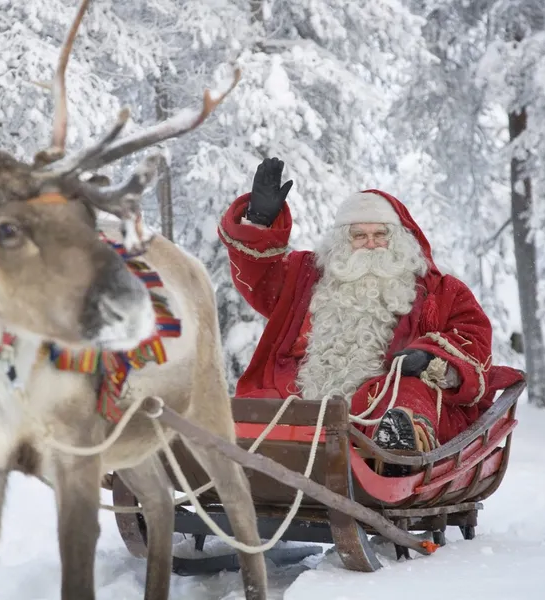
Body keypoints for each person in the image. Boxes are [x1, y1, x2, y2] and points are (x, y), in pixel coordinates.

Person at [218, 157, 523, 474]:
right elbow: (260, 282)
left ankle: (396, 455)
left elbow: (473, 341)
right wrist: (258, 223)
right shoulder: (306, 276)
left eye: (381, 235)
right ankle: (238, 461)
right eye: (358, 236)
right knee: (256, 404)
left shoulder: (441, 291)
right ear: (342, 243)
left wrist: (430, 358)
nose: (371, 245)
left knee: (408, 393)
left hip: (382, 405)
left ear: (400, 240)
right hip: (299, 399)